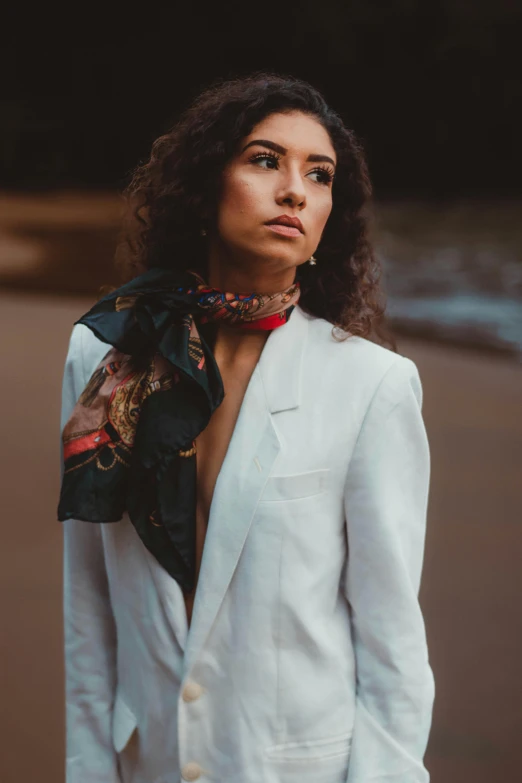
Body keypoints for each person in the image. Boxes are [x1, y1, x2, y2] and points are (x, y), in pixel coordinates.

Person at [58, 73, 434, 783]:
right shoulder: (106, 357)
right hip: (151, 765)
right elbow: (89, 602)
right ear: (205, 186)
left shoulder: (371, 386)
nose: (294, 189)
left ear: (331, 215)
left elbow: (392, 643)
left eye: (318, 175)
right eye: (266, 160)